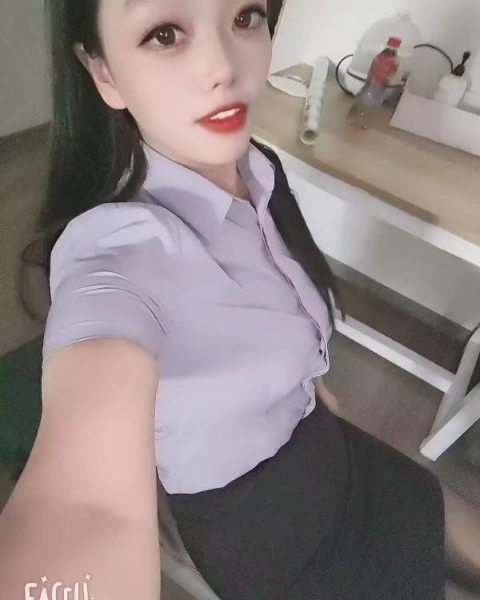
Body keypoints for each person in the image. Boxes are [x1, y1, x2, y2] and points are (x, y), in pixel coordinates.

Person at [1, 0, 480, 598]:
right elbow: (86, 506)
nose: (225, 66)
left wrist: (303, 387)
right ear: (102, 71)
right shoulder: (120, 250)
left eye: (246, 16)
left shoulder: (258, 169)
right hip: (265, 526)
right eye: (165, 33)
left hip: (328, 444)